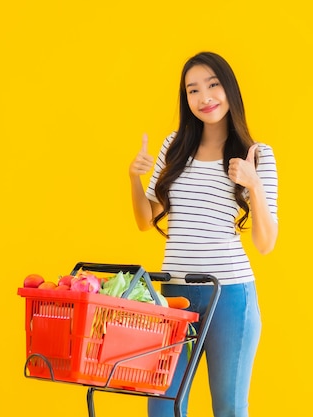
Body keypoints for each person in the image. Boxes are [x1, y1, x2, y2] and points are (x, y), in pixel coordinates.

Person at [128, 52, 279, 417]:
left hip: (229, 297)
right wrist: (134, 177)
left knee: (228, 408)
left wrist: (254, 185)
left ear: (229, 89)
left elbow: (265, 243)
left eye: (213, 85)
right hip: (174, 295)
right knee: (162, 405)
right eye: (193, 90)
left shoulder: (256, 155)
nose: (204, 97)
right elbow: (146, 220)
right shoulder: (174, 147)